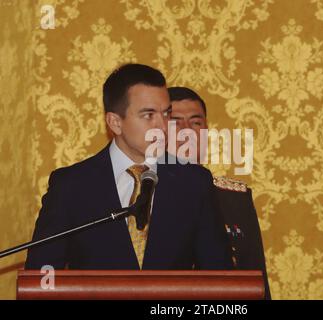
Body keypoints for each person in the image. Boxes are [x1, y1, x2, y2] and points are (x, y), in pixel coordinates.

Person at [25, 64, 233, 270]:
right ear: (115, 122)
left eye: (166, 114)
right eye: (148, 115)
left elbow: (219, 277)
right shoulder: (71, 186)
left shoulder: (194, 182)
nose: (162, 126)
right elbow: (42, 277)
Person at [168, 86, 271, 299]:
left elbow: (254, 280)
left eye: (196, 123)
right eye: (175, 123)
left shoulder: (235, 198)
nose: (187, 132)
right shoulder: (140, 196)